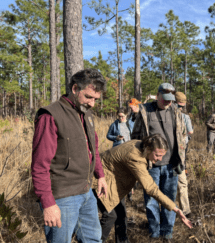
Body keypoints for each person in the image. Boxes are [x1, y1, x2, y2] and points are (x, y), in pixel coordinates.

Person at [31, 68, 108, 243]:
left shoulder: (86, 114)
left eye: (96, 99)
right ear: (74, 89)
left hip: (87, 192)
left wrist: (100, 175)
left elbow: (93, 148)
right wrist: (48, 203)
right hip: (62, 197)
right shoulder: (50, 115)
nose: (92, 104)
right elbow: (39, 165)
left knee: (94, 239)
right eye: (89, 97)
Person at [93, 134, 192, 243]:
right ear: (148, 149)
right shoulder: (136, 157)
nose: (160, 159)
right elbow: (151, 188)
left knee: (121, 215)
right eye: (157, 155)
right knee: (110, 216)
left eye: (162, 156)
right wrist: (176, 209)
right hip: (99, 178)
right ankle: (95, 241)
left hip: (113, 181)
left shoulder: (140, 145)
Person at [131, 83, 187, 243]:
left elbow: (182, 135)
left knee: (169, 198)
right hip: (151, 166)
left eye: (171, 100)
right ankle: (154, 232)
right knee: (151, 200)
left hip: (172, 164)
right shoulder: (145, 111)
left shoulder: (176, 111)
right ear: (158, 95)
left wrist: (182, 159)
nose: (168, 102)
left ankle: (167, 232)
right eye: (165, 99)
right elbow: (135, 136)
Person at [175, 92, 194, 219]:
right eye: (179, 105)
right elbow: (190, 132)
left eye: (182, 106)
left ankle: (184, 210)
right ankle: (184, 210)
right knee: (180, 181)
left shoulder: (166, 115)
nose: (180, 108)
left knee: (181, 180)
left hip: (179, 154)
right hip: (175, 154)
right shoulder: (184, 117)